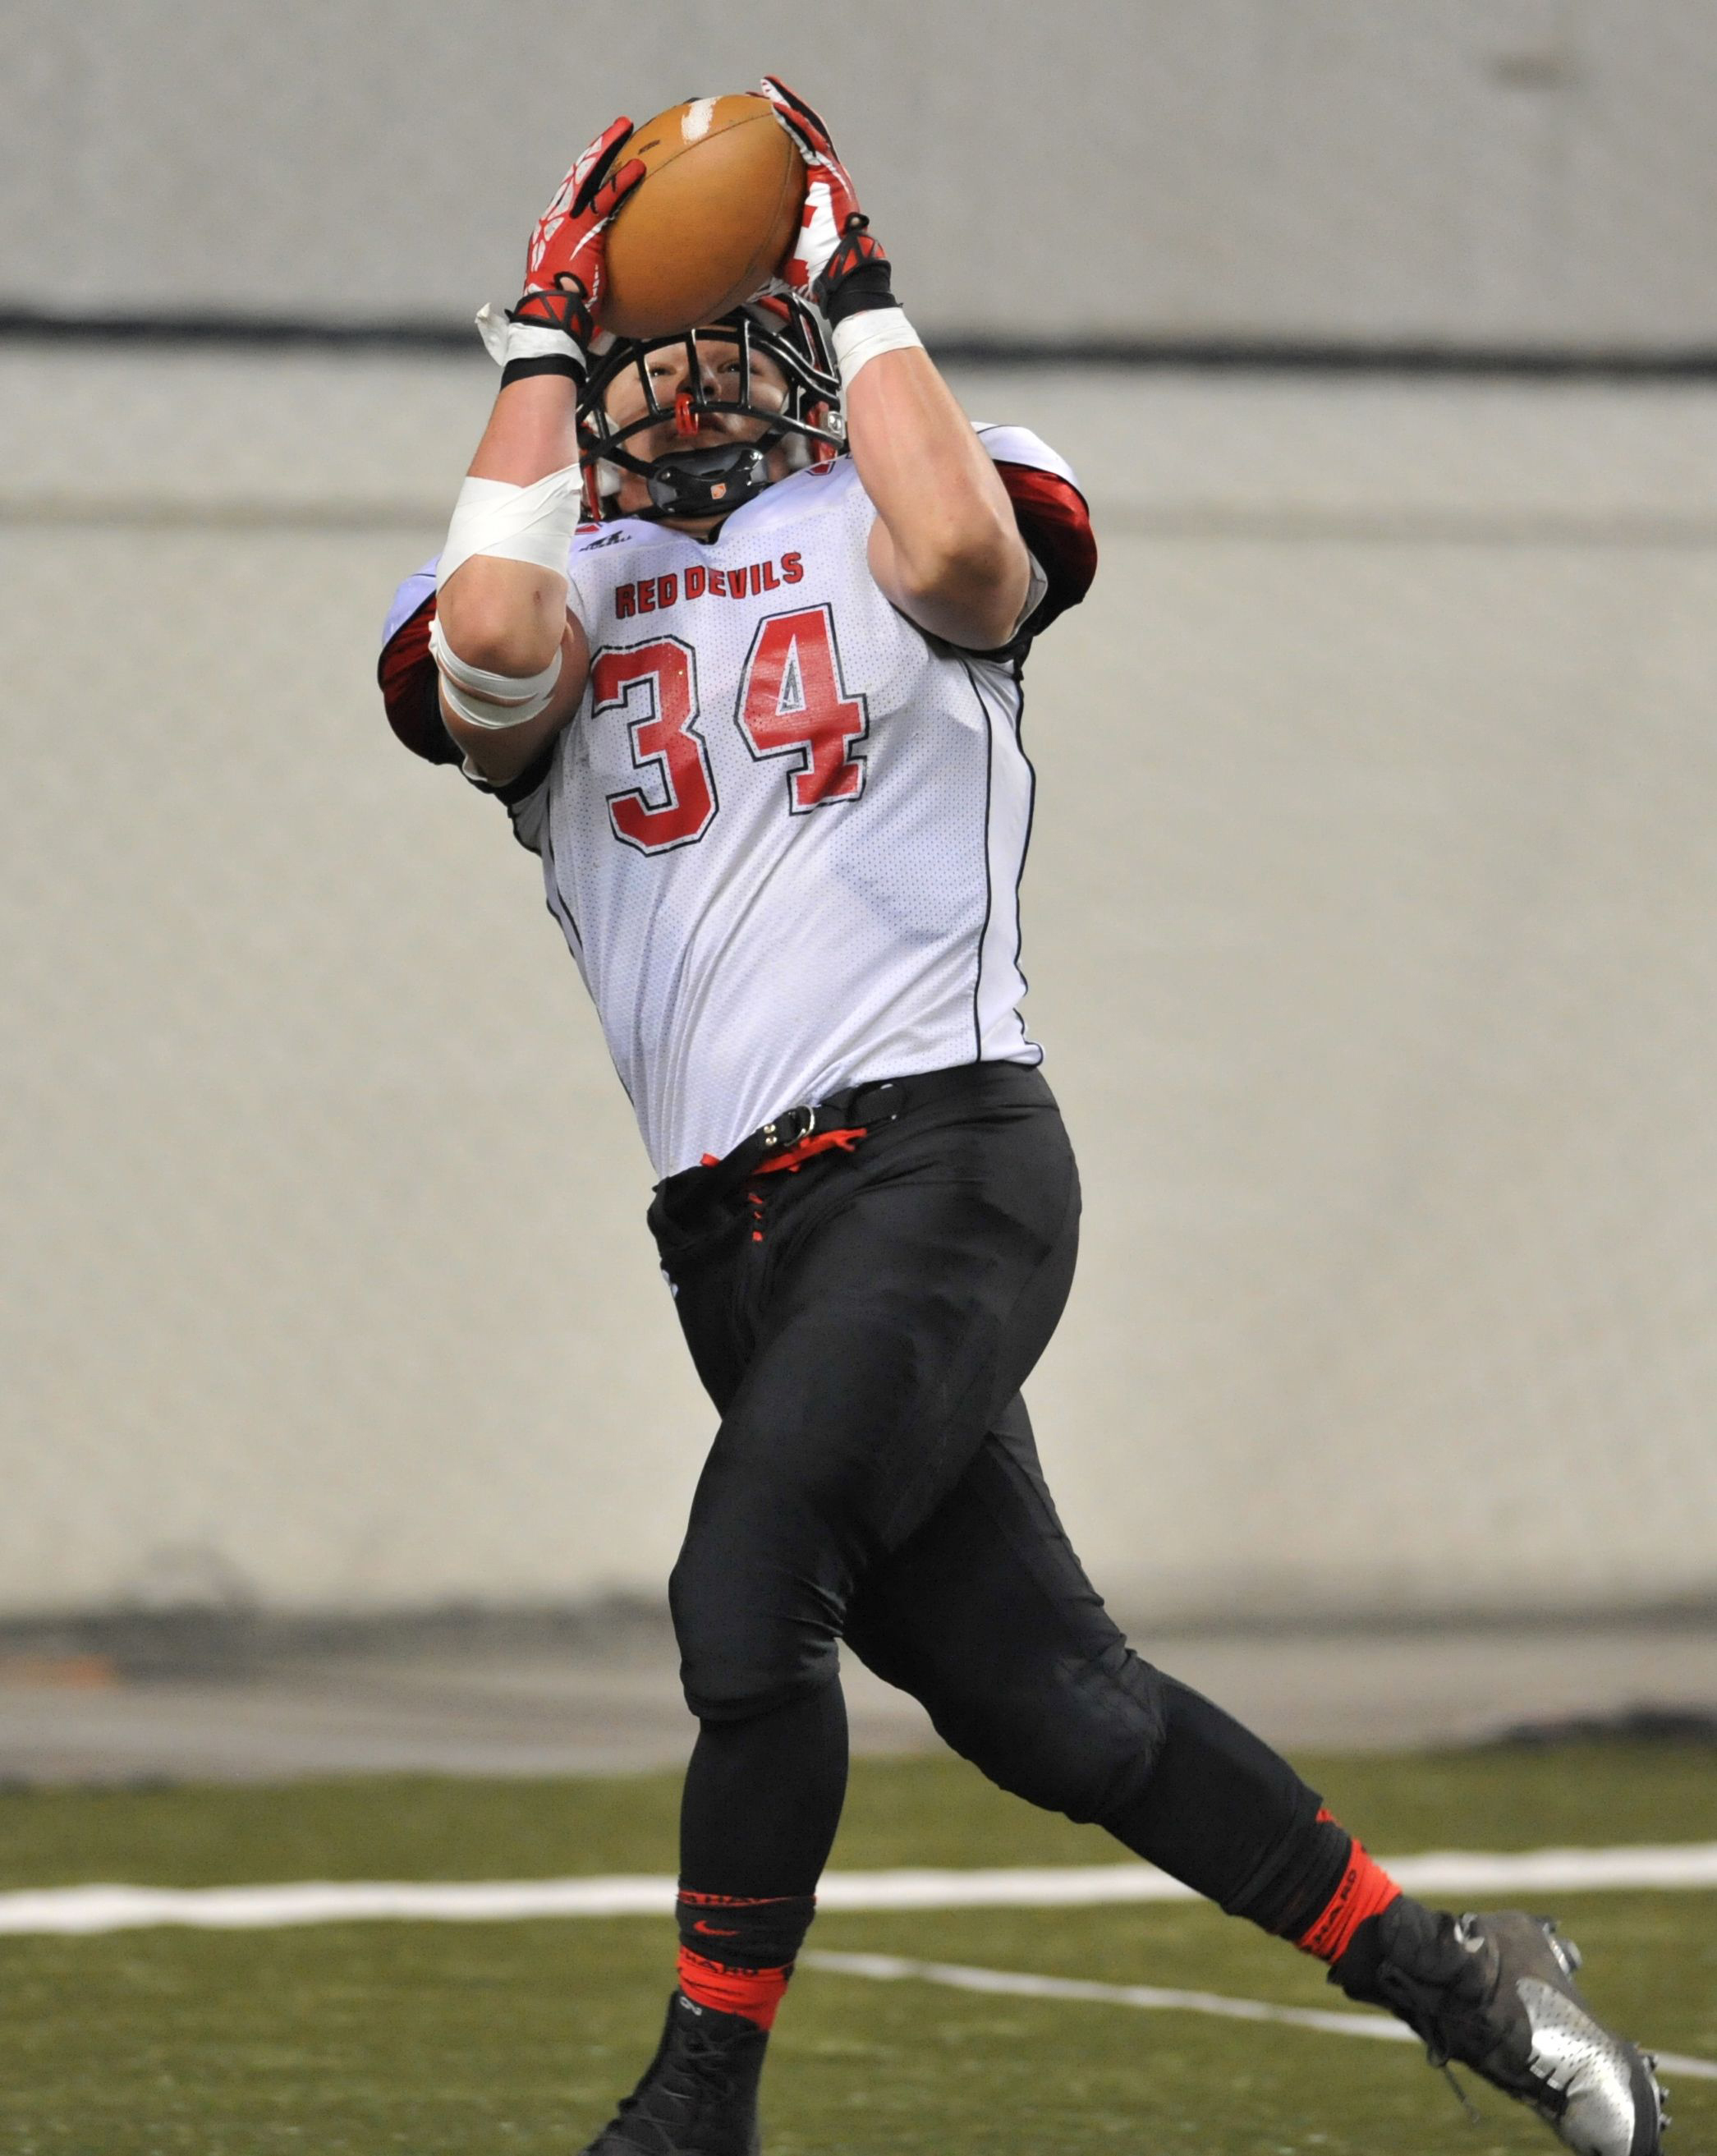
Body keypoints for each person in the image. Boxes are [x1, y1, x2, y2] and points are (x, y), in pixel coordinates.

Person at [378, 77, 1666, 2156]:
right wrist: (539, 327)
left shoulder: (911, 505)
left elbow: (969, 553)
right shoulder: (537, 577)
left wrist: (848, 266)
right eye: (644, 334)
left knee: (743, 1590)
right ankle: (1466, 1979)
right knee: (1056, 1712)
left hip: (941, 1167)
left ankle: (694, 2108)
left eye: (732, 322)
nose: (683, 375)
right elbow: (497, 643)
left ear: (796, 336)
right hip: (733, 1241)